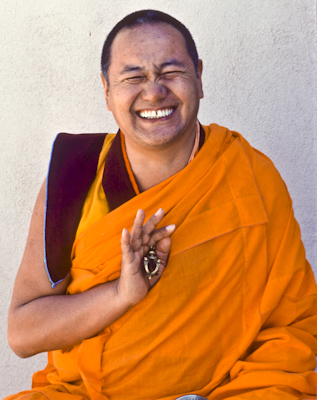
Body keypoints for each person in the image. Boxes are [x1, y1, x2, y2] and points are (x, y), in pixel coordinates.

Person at [5, 9, 317, 400]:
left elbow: (289, 325)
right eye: (133, 76)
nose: (154, 91)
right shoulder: (76, 173)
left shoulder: (249, 175)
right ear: (106, 90)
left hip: (227, 392)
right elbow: (22, 333)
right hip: (85, 394)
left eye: (171, 71)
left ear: (199, 77)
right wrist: (121, 294)